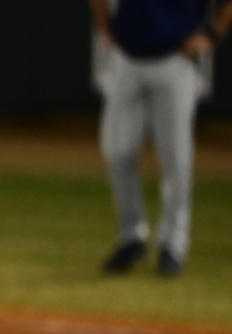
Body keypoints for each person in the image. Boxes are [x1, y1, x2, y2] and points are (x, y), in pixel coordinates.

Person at [90, 0, 232, 276]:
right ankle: (132, 238)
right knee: (117, 150)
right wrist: (104, 25)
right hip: (127, 56)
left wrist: (213, 35)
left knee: (176, 158)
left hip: (176, 57)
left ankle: (173, 245)